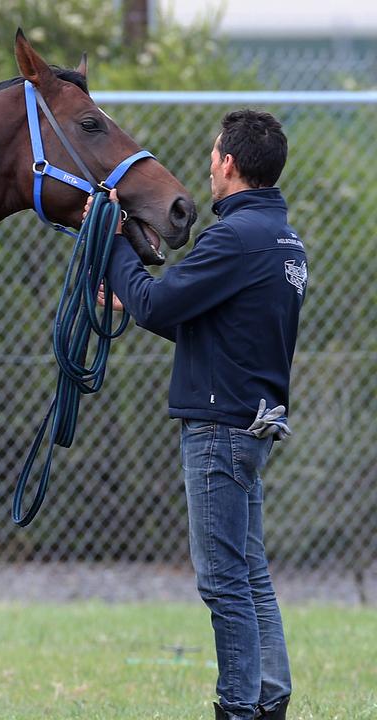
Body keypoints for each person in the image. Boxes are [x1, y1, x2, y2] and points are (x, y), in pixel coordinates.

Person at [101, 109, 301, 720]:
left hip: (218, 430)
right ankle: (269, 698)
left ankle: (238, 708)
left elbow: (159, 305)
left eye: (214, 156)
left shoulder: (234, 238)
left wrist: (112, 245)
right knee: (249, 571)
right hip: (252, 422)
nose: (209, 165)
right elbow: (221, 331)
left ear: (229, 165)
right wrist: (137, 292)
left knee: (222, 581)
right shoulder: (282, 239)